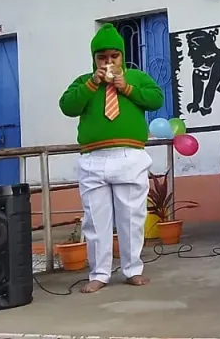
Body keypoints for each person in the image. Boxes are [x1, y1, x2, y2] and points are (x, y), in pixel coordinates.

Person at [58, 24, 164, 293]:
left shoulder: (137, 77)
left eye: (114, 56)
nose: (108, 62)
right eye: (102, 57)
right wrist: (92, 83)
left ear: (122, 56)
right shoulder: (84, 82)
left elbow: (156, 99)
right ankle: (99, 273)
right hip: (93, 158)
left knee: (131, 217)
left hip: (129, 156)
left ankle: (133, 269)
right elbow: (67, 106)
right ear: (94, 58)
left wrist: (127, 88)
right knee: (95, 221)